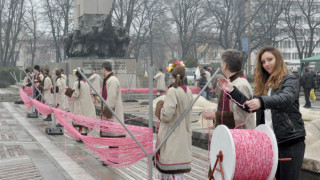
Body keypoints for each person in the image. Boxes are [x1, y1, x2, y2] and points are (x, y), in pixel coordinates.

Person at [218, 45, 306, 180]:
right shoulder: (265, 84)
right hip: (269, 142)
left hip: (289, 141)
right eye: (263, 62)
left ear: (278, 58)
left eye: (270, 59)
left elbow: (285, 98)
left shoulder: (290, 79)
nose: (266, 64)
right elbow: (249, 105)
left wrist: (262, 102)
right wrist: (232, 90)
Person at [154, 62, 193, 179]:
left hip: (171, 136)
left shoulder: (172, 91)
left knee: (169, 171)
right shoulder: (188, 92)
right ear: (184, 77)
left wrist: (159, 108)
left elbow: (166, 115)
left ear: (171, 76)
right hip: (184, 135)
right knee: (178, 173)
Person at [202, 49, 256, 129]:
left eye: (221, 63)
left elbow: (240, 118)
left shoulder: (240, 85)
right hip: (231, 135)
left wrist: (215, 115)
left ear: (224, 65)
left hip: (240, 137)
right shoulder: (232, 82)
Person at [99, 62, 125, 165]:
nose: (102, 72)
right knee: (111, 137)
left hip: (113, 114)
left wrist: (106, 114)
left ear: (104, 69)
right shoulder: (110, 80)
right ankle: (112, 158)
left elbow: (111, 99)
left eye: (102, 70)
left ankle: (113, 159)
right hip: (111, 113)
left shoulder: (112, 80)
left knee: (114, 137)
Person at [65, 69, 96, 142]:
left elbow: (75, 94)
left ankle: (82, 137)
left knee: (81, 121)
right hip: (87, 104)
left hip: (80, 104)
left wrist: (68, 90)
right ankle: (84, 135)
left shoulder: (77, 83)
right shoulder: (87, 82)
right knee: (85, 121)